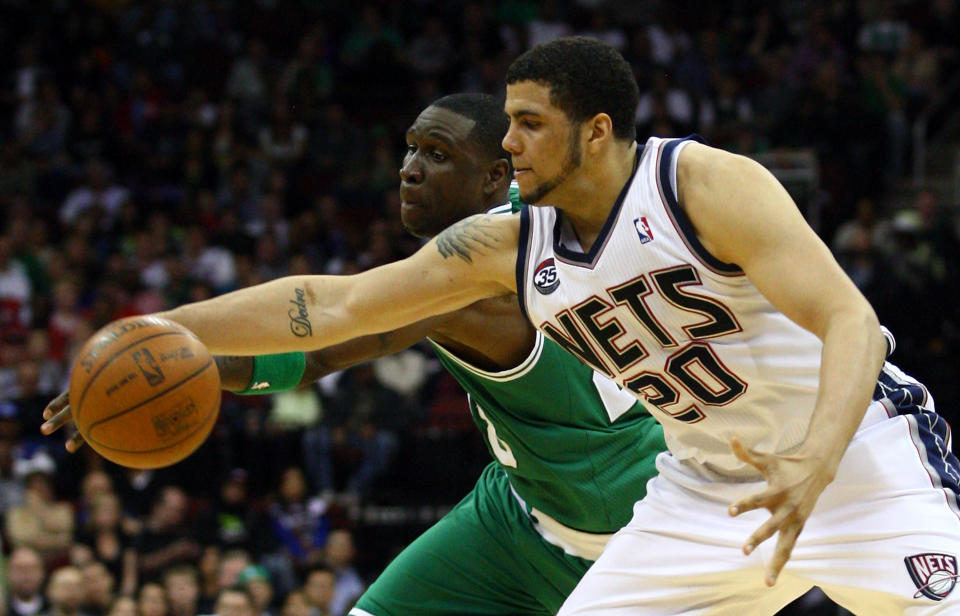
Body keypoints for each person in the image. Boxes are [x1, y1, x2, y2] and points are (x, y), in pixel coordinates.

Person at [45, 36, 959, 610]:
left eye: (528, 125)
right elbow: (334, 307)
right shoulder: (506, 245)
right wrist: (156, 325)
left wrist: (812, 460)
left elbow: (850, 319)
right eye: (508, 126)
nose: (510, 144)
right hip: (703, 487)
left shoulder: (702, 184)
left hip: (860, 460)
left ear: (595, 132)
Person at [44, 93, 665, 614]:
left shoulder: (485, 282)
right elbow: (312, 356)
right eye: (412, 148)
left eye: (437, 154)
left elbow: (322, 327)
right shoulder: (543, 226)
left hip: (633, 538)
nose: (409, 169)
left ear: (495, 177)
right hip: (517, 512)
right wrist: (188, 362)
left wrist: (154, 333)